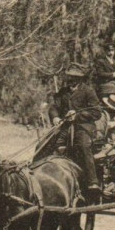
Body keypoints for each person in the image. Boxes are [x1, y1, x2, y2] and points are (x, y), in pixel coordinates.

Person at [47, 64, 103, 202]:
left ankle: (92, 181)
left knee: (83, 145)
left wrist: (77, 115)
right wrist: (55, 117)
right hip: (65, 127)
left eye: (74, 77)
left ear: (80, 79)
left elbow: (96, 112)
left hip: (84, 127)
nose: (71, 79)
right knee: (46, 145)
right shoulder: (63, 92)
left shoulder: (88, 91)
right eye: (69, 77)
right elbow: (54, 107)